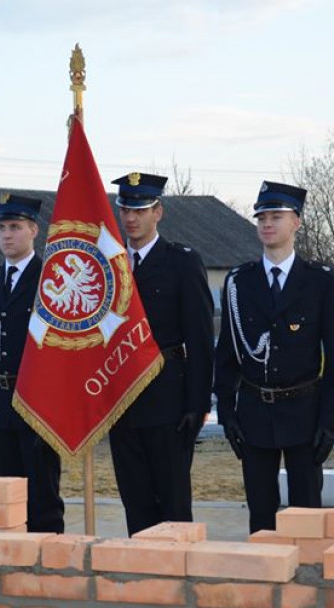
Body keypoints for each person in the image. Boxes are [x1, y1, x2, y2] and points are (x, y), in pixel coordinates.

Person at [214, 181, 334, 533]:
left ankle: (304, 581)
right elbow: (227, 353)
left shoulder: (320, 281)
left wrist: (331, 421)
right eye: (261, 217)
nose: (266, 224)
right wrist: (227, 413)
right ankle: (264, 580)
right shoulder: (239, 281)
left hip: (305, 412)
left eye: (276, 216)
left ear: (297, 223)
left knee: (306, 512)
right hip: (255, 411)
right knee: (261, 513)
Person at [107, 172, 215, 535]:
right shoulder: (111, 265)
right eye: (125, 209)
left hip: (168, 397)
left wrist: (197, 404)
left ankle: (176, 581)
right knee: (135, 503)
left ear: (159, 213)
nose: (130, 217)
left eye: (140, 209)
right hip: (122, 399)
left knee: (172, 505)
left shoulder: (181, 262)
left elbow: (200, 339)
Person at [0, 194, 65, 533]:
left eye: (16, 227)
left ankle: (49, 571)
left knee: (43, 500)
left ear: (34, 230)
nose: (7, 235)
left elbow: (64, 351)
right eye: (2, 228)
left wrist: (55, 410)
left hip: (39, 404)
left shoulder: (52, 280)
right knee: (9, 499)